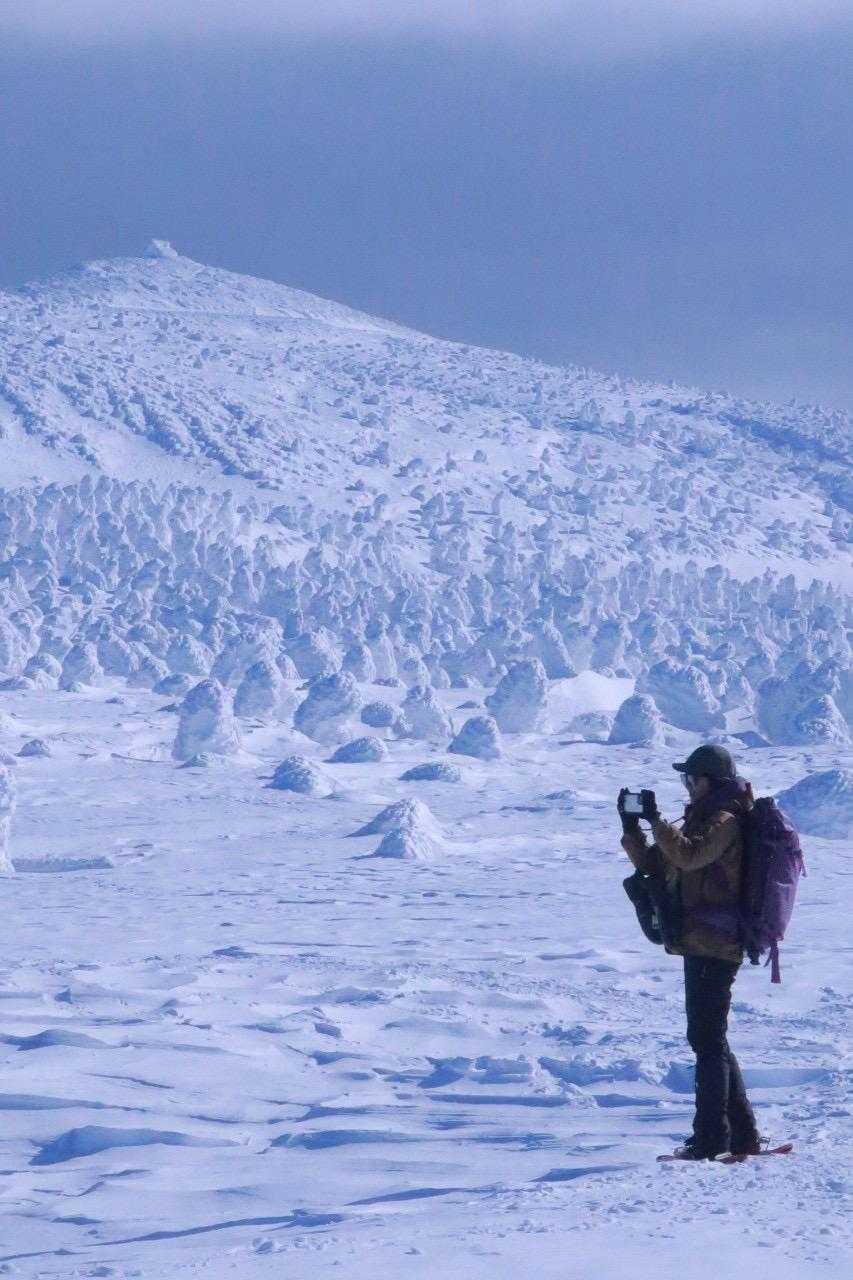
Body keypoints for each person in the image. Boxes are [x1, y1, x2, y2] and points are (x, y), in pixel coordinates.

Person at [617, 744, 761, 1161]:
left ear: (709, 781)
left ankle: (711, 1140)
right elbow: (655, 864)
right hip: (698, 941)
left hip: (716, 943)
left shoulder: (725, 820)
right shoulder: (700, 817)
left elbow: (689, 855)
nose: (687, 785)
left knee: (706, 1041)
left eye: (691, 779)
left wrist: (657, 820)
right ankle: (743, 1136)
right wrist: (632, 827)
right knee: (711, 1039)